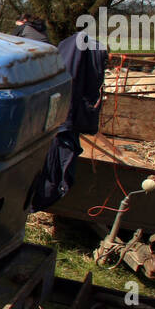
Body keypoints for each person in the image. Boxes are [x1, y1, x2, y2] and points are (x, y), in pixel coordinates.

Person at [30, 29, 108, 210]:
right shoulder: (74, 73)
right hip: (61, 125)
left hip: (57, 122)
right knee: (55, 165)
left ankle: (41, 198)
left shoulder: (66, 59)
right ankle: (41, 199)